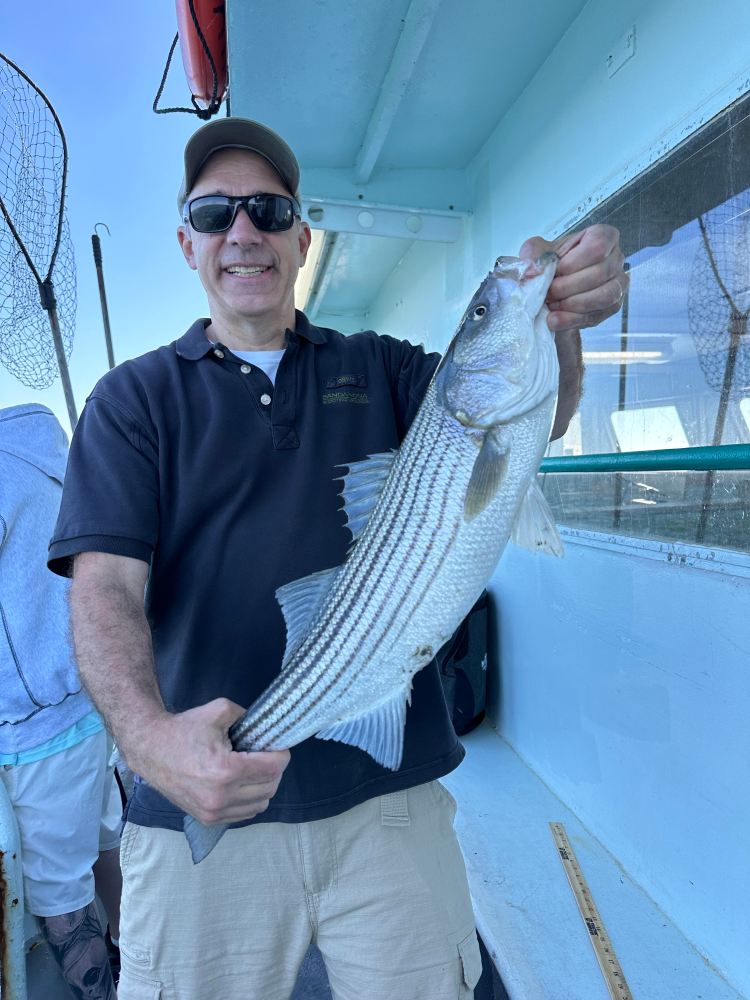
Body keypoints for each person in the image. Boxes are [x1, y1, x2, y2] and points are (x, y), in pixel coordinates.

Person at [48, 118, 628, 1000]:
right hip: (194, 806)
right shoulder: (132, 399)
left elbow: (532, 420)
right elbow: (105, 591)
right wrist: (154, 748)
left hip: (388, 810)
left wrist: (559, 322)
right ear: (186, 243)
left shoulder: (386, 368)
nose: (242, 231)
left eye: (269, 210)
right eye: (215, 213)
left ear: (301, 238)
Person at [0, 403, 121, 999]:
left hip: (34, 736)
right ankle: (148, 964)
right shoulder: (37, 441)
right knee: (105, 847)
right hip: (88, 703)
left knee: (61, 904)